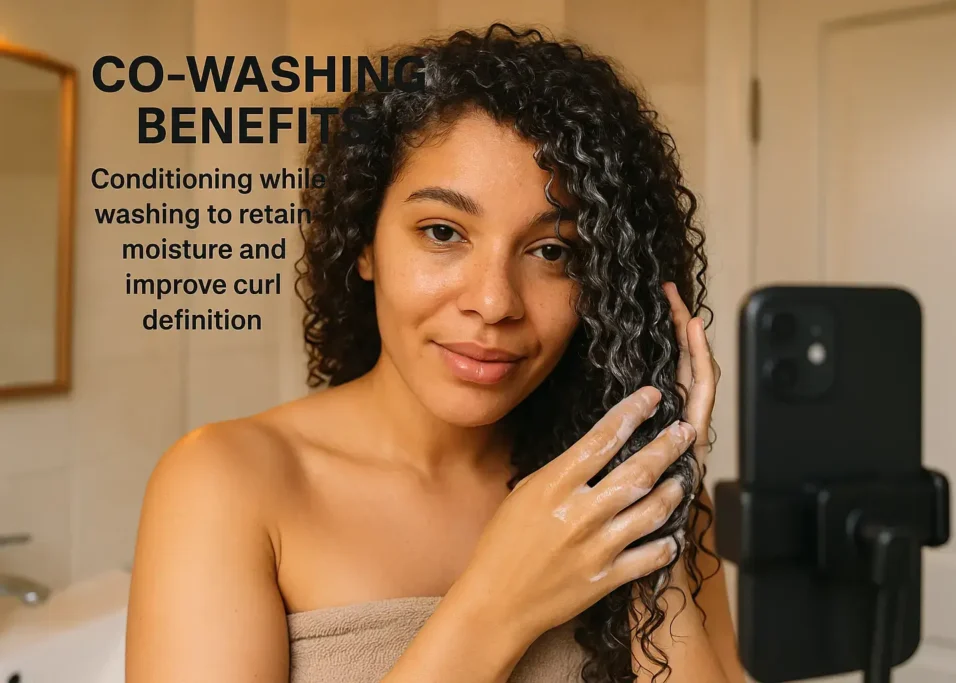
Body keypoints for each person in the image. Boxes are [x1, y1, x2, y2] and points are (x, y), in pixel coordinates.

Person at [126, 23, 745, 683]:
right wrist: (494, 605)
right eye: (443, 231)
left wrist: (659, 516)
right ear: (364, 244)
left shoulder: (626, 490)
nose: (493, 300)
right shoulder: (226, 484)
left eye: (552, 251)